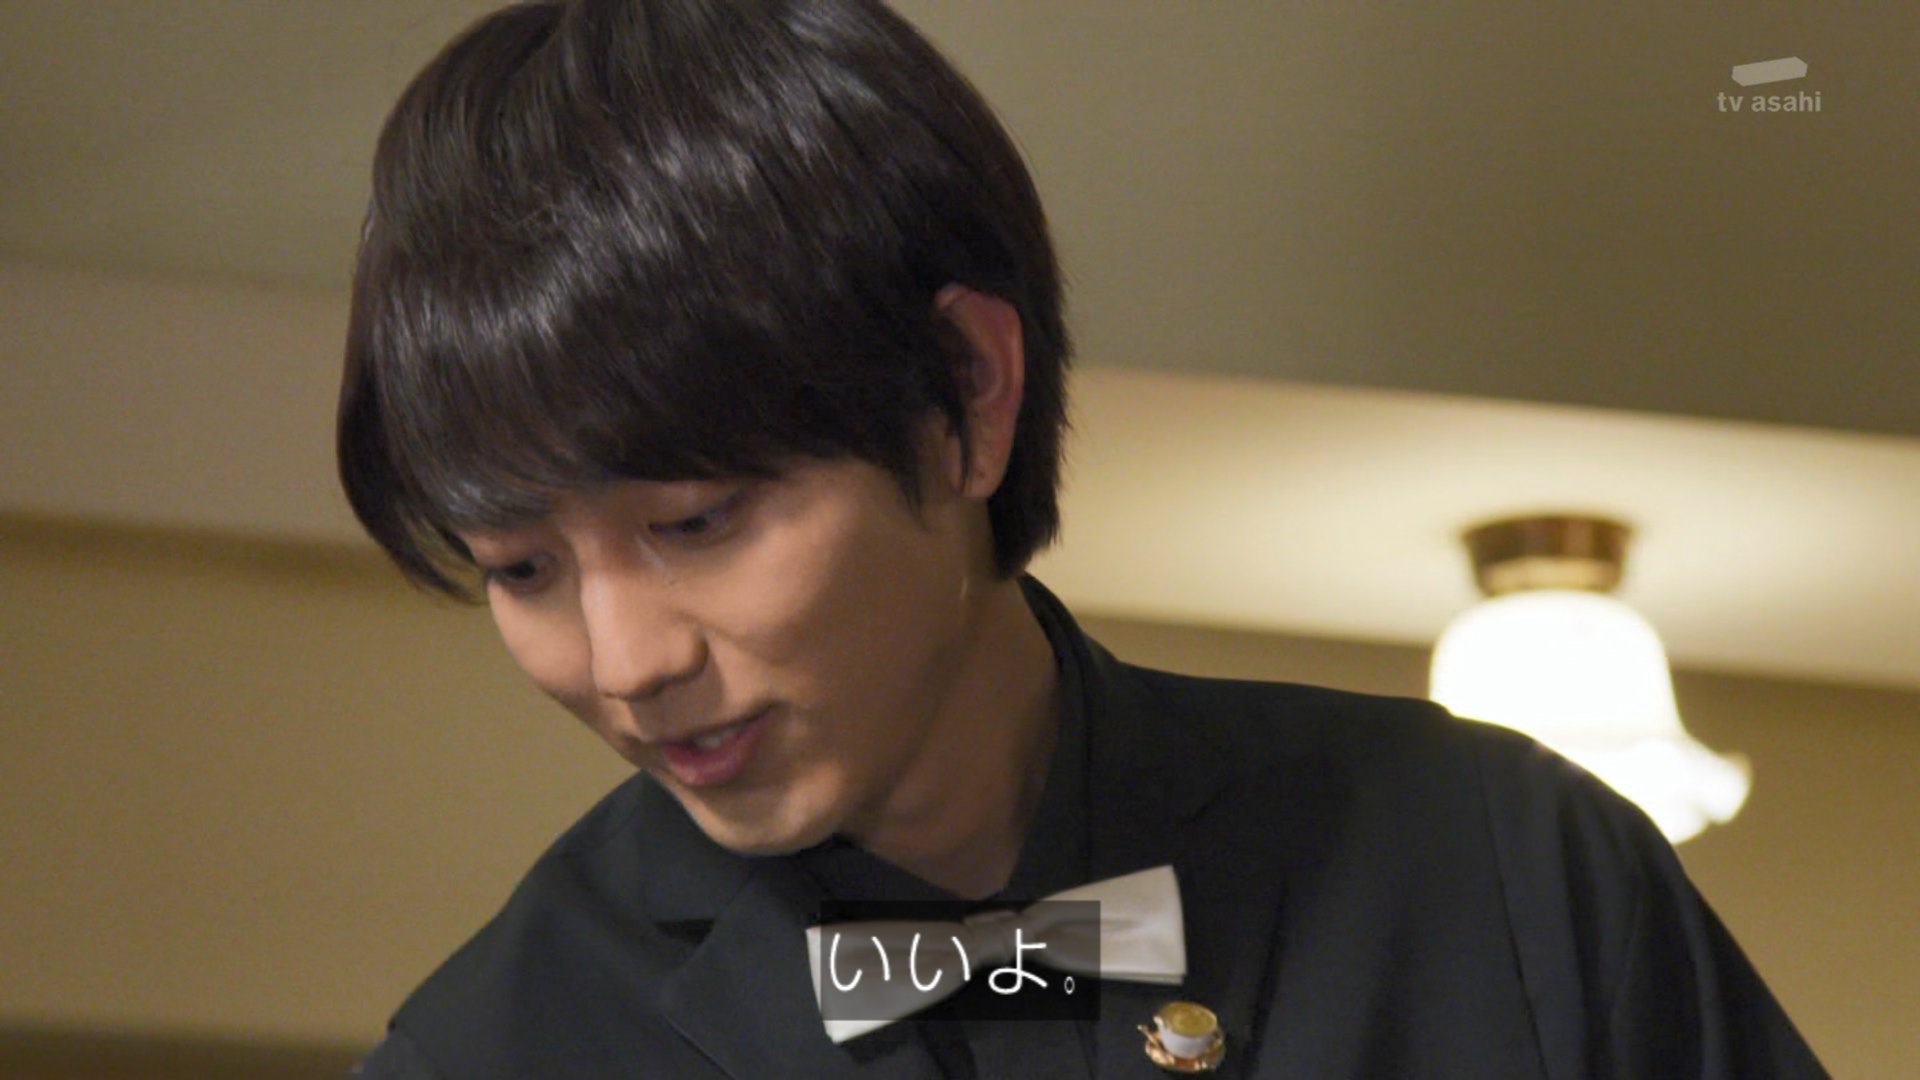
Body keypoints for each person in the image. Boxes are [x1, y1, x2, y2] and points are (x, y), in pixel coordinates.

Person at [337, 1, 1828, 1076]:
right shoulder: (498, 1047)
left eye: (696, 522)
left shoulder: (1503, 878)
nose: (624, 663)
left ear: (966, 398)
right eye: (521, 569)